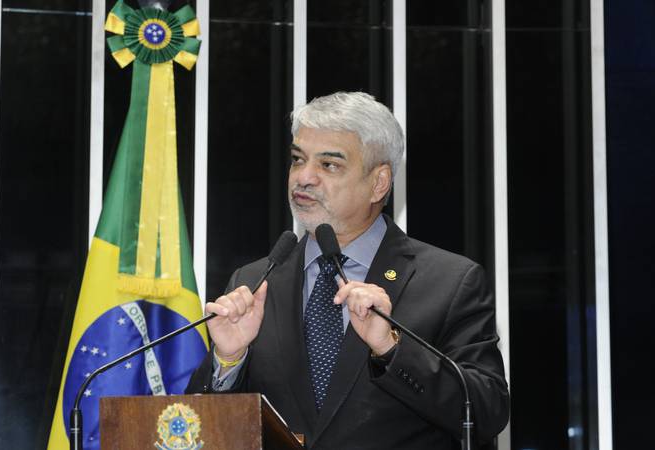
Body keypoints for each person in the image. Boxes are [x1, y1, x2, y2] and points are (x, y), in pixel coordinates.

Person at [186, 92, 509, 449]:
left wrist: (390, 349)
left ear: (379, 183)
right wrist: (228, 361)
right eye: (297, 160)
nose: (303, 178)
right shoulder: (254, 282)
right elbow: (205, 427)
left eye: (329, 165)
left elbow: (485, 411)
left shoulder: (449, 282)